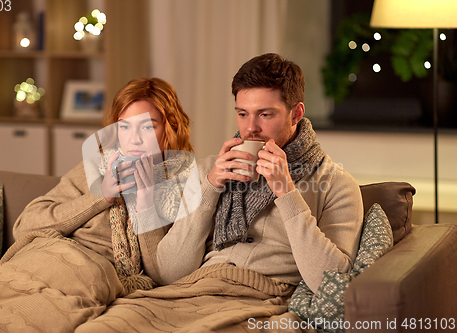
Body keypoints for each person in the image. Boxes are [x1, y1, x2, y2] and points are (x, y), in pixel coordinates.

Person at [72, 53, 364, 333]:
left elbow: (333, 286)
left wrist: (286, 192)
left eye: (265, 114)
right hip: (190, 292)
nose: (251, 128)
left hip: (260, 301)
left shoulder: (335, 183)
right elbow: (168, 273)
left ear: (296, 113)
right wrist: (210, 187)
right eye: (242, 114)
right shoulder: (209, 170)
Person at [0, 78, 196, 332]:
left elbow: (163, 275)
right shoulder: (94, 169)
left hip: (90, 278)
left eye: (147, 127)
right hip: (46, 258)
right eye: (125, 127)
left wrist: (145, 205)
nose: (134, 139)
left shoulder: (181, 187)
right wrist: (100, 197)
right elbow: (25, 226)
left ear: (169, 129)